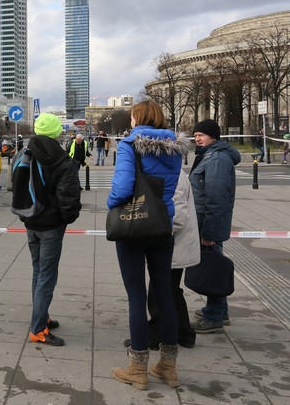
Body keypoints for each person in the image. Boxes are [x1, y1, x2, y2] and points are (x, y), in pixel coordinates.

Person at [108, 99, 191, 390]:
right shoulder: (174, 149)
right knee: (165, 293)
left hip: (134, 226)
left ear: (138, 118)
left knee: (136, 296)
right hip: (162, 225)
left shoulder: (130, 145)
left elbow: (122, 188)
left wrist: (111, 203)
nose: (131, 122)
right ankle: (168, 367)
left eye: (133, 117)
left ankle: (137, 369)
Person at [19, 113, 82, 347]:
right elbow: (68, 195)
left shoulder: (25, 152)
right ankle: (37, 329)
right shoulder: (61, 159)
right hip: (51, 225)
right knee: (47, 275)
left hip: (30, 220)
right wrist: (67, 217)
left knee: (38, 270)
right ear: (57, 132)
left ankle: (41, 316)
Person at [124, 171, 200, 350]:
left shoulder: (174, 176)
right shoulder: (171, 171)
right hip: (172, 243)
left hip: (172, 244)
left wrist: (153, 236)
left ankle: (154, 335)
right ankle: (184, 333)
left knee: (159, 293)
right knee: (171, 290)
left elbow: (178, 217)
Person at [190, 119, 241, 334]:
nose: (197, 139)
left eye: (201, 135)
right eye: (195, 135)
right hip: (206, 219)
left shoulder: (217, 159)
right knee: (214, 264)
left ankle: (214, 316)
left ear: (213, 136)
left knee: (212, 268)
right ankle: (220, 310)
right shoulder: (210, 155)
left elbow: (216, 197)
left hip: (208, 222)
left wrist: (209, 232)